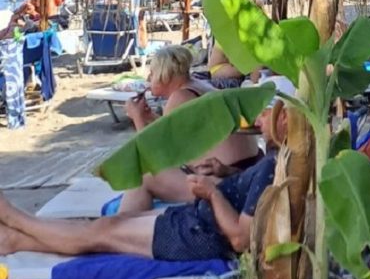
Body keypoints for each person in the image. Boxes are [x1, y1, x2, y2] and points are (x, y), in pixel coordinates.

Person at [0, 88, 288, 261]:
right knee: (108, 226)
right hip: (197, 222)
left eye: (270, 114)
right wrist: (225, 173)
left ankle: (16, 220)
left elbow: (240, 239)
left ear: (287, 122)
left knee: (100, 233)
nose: (260, 118)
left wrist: (212, 193)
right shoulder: (278, 160)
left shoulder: (274, 166)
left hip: (197, 235)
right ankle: (15, 240)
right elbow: (251, 195)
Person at [117, 45, 263, 214]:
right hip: (248, 172)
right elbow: (177, 132)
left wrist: (137, 117)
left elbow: (152, 157)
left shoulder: (180, 97)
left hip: (226, 181)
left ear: (165, 74)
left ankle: (122, 225)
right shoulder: (198, 87)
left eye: (152, 73)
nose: (149, 78)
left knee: (142, 178)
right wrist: (148, 117)